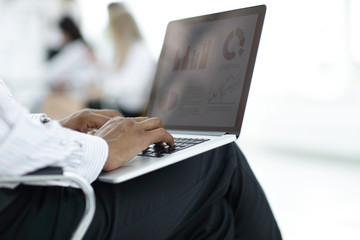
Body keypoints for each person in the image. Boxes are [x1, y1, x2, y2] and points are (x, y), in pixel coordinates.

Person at [0, 78, 282, 239]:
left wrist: (53, 129)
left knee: (211, 218)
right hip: (19, 215)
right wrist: (100, 148)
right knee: (220, 154)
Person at [91, 2, 156, 117]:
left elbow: (133, 87)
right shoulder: (118, 52)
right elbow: (108, 79)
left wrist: (104, 90)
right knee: (88, 108)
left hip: (131, 108)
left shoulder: (141, 52)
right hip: (117, 103)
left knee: (90, 108)